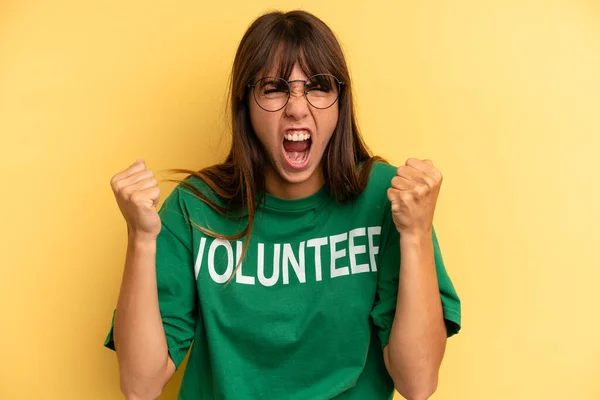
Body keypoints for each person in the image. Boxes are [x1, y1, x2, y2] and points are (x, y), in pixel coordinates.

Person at [104, 9, 461, 400]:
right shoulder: (195, 208)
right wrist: (140, 237)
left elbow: (418, 383)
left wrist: (416, 234)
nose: (296, 106)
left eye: (318, 86)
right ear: (247, 103)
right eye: (274, 88)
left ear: (340, 102)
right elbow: (140, 386)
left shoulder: (389, 201)